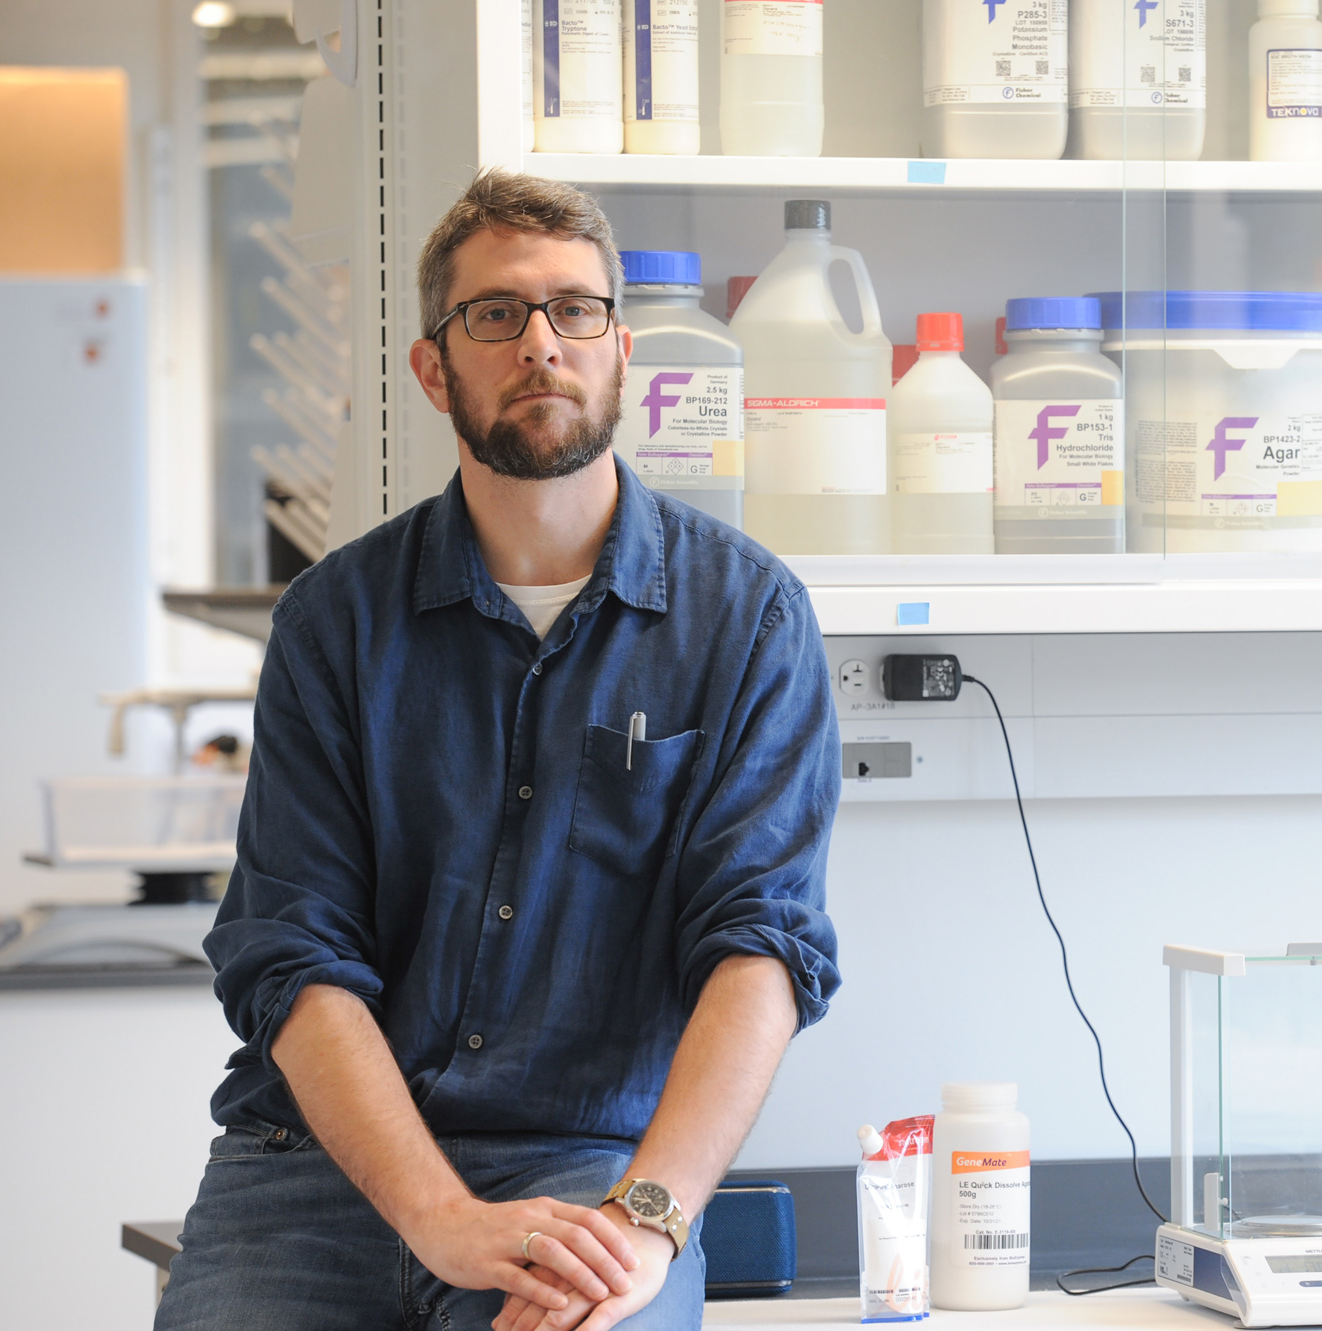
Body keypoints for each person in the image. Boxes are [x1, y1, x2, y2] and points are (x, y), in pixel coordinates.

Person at [154, 170, 842, 1331]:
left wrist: (647, 1215)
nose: (541, 343)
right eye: (495, 314)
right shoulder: (334, 623)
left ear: (622, 349)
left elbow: (761, 947)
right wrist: (437, 1212)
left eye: (574, 310)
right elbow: (292, 955)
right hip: (310, 1165)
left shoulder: (748, 620)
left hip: (587, 1166)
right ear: (435, 367)